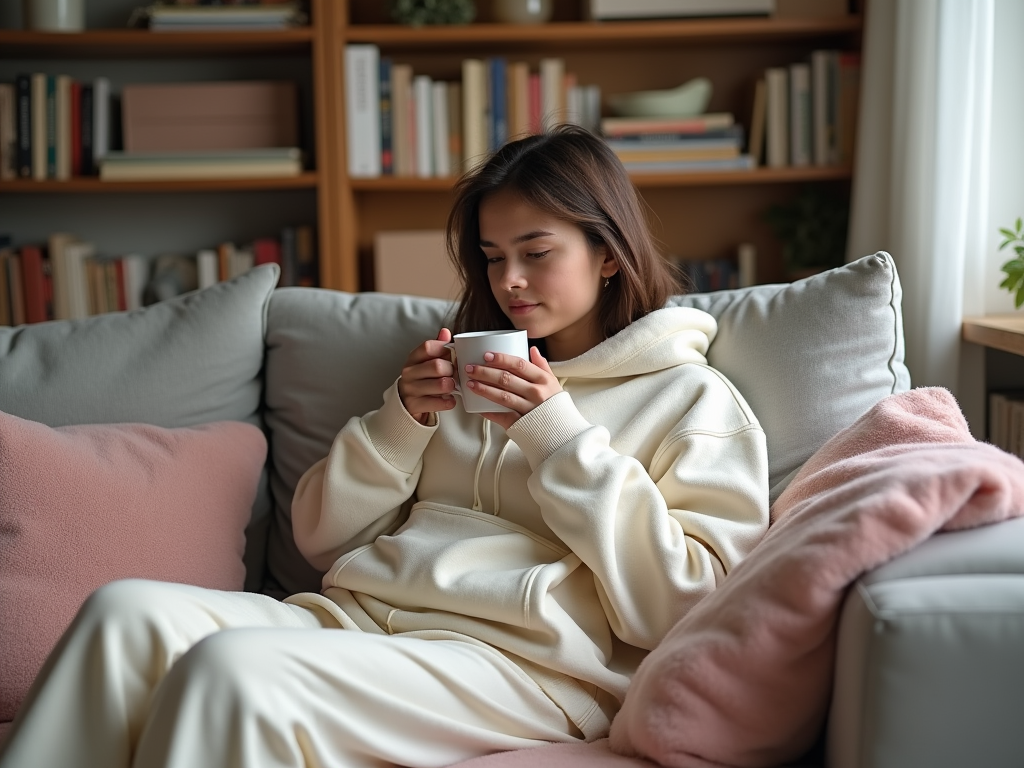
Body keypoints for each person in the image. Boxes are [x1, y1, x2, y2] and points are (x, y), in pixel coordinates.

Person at [0, 126, 769, 768]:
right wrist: (402, 419)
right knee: (124, 613)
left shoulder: (691, 399)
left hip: (523, 668)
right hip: (360, 624)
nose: (510, 281)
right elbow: (320, 538)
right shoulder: (464, 372)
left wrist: (558, 434)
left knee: (233, 674)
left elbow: (687, 606)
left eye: (537, 252)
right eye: (493, 256)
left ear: (607, 253)